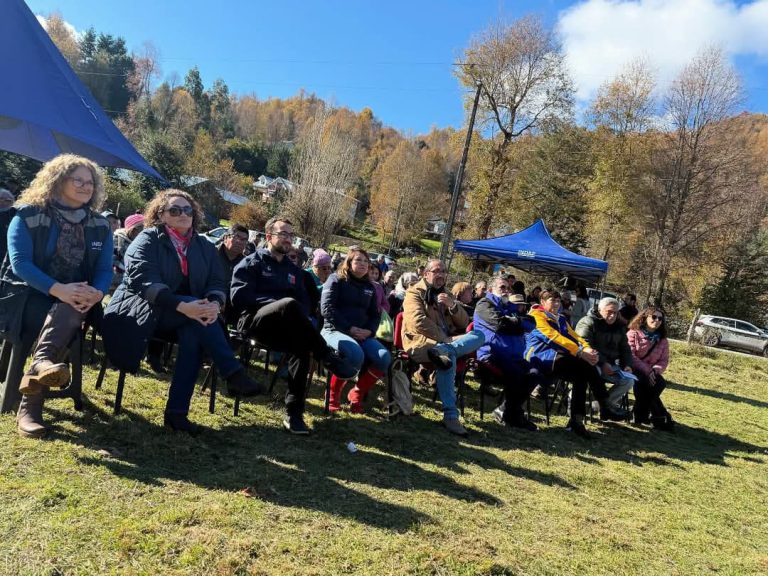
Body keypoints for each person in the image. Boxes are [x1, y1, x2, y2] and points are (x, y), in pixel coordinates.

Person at [102, 190, 264, 434]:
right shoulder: (147, 239)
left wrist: (214, 303)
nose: (183, 214)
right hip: (143, 309)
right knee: (194, 315)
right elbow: (143, 282)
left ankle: (177, 414)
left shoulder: (203, 245)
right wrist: (183, 305)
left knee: (193, 332)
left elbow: (217, 282)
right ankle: (232, 373)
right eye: (175, 210)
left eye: (188, 209)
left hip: (189, 316)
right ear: (161, 214)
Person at [1, 155, 113, 438]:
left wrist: (97, 293)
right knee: (64, 308)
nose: (85, 186)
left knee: (70, 307)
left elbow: (104, 268)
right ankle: (33, 396)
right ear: (58, 180)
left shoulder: (99, 224)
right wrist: (59, 289)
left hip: (78, 298)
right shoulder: (27, 214)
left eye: (90, 182)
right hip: (28, 293)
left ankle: (35, 382)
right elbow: (21, 264)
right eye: (77, 180)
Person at [231, 216, 342, 435]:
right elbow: (239, 297)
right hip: (254, 322)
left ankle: (294, 414)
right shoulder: (251, 262)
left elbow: (304, 304)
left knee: (300, 347)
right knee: (288, 305)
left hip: (282, 330)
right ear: (269, 236)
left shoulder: (293, 271)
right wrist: (275, 304)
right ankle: (325, 354)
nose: (288, 239)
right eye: (283, 234)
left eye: (291, 235)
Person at [525, 289, 629, 439]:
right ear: (542, 302)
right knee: (585, 366)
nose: (556, 304)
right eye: (552, 300)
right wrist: (580, 353)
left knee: (583, 375)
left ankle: (577, 421)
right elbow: (554, 338)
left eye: (558, 301)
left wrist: (587, 348)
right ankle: (603, 405)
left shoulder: (560, 318)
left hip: (560, 358)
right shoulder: (536, 317)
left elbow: (576, 337)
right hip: (541, 357)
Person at [401, 259, 485, 436]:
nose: (441, 274)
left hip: (447, 342)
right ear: (426, 274)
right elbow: (417, 322)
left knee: (479, 335)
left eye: (444, 271)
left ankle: (446, 350)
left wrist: (452, 305)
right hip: (421, 342)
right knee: (448, 358)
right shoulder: (413, 292)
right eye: (436, 271)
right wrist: (444, 339)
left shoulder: (446, 294)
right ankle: (450, 416)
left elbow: (463, 322)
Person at [322, 248, 391, 413]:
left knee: (384, 358)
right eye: (358, 260)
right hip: (334, 331)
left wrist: (369, 331)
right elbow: (327, 309)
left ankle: (357, 394)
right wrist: (349, 328)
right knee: (355, 354)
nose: (362, 264)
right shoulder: (336, 280)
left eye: (366, 261)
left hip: (363, 334)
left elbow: (376, 315)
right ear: (349, 263)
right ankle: (332, 394)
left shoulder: (370, 287)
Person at [473, 277, 539, 430]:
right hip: (491, 355)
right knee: (517, 374)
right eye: (502, 287)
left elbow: (531, 323)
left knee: (535, 373)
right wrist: (516, 323)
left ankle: (506, 410)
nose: (507, 291)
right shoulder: (484, 304)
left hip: (513, 356)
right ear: (491, 290)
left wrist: (514, 322)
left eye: (508, 288)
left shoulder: (509, 306)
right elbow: (500, 324)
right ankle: (514, 414)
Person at [575, 297, 635, 414]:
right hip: (590, 362)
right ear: (600, 310)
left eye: (615, 313)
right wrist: (602, 363)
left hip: (611, 365)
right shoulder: (587, 322)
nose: (612, 316)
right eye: (609, 312)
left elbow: (625, 349)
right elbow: (585, 345)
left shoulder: (619, 327)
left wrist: (627, 365)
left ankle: (599, 406)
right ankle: (574, 403)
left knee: (628, 380)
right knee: (587, 376)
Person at [627, 307, 673, 430]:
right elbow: (630, 355)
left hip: (652, 371)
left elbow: (664, 360)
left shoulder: (663, 340)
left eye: (660, 318)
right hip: (633, 368)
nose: (657, 320)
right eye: (653, 317)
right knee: (644, 382)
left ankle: (638, 412)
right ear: (644, 318)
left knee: (660, 383)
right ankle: (652, 414)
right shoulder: (633, 333)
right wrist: (647, 370)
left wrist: (655, 370)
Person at [110, 213, 144, 293]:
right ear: (132, 229)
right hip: (116, 279)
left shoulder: (142, 241)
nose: (144, 231)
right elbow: (112, 260)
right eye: (141, 228)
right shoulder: (116, 240)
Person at [0, 187, 17, 261]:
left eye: (7, 200)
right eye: (1, 199)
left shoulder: (16, 214)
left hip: (9, 254)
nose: (3, 201)